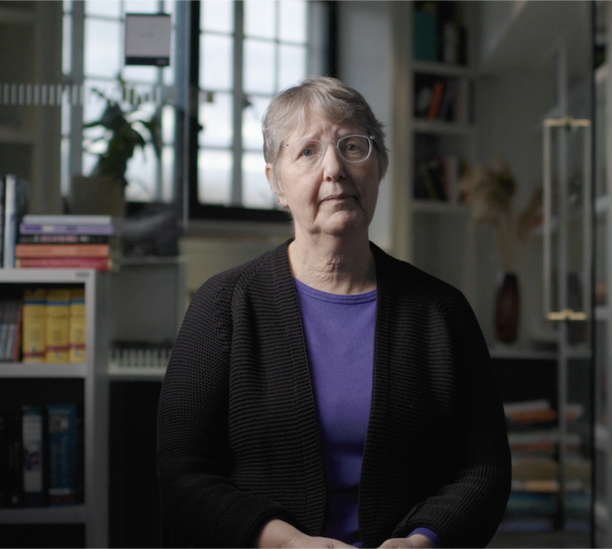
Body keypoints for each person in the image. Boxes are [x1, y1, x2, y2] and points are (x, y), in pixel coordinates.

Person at [156, 76, 512, 549]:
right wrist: (282, 543)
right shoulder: (224, 306)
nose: (334, 169)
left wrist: (420, 542)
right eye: (307, 151)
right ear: (276, 183)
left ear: (380, 165)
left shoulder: (442, 313)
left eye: (353, 146)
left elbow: (484, 469)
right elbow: (182, 473)